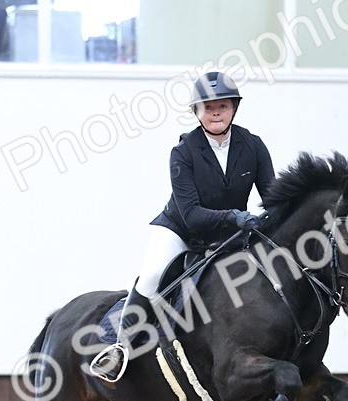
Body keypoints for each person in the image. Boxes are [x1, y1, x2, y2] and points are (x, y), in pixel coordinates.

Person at [90, 71, 275, 383]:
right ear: (197, 112)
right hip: (181, 231)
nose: (216, 112)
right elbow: (191, 214)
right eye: (208, 106)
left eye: (223, 106)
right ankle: (119, 346)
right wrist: (235, 217)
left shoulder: (253, 146)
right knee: (151, 276)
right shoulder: (184, 151)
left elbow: (273, 196)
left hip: (229, 237)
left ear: (234, 109)